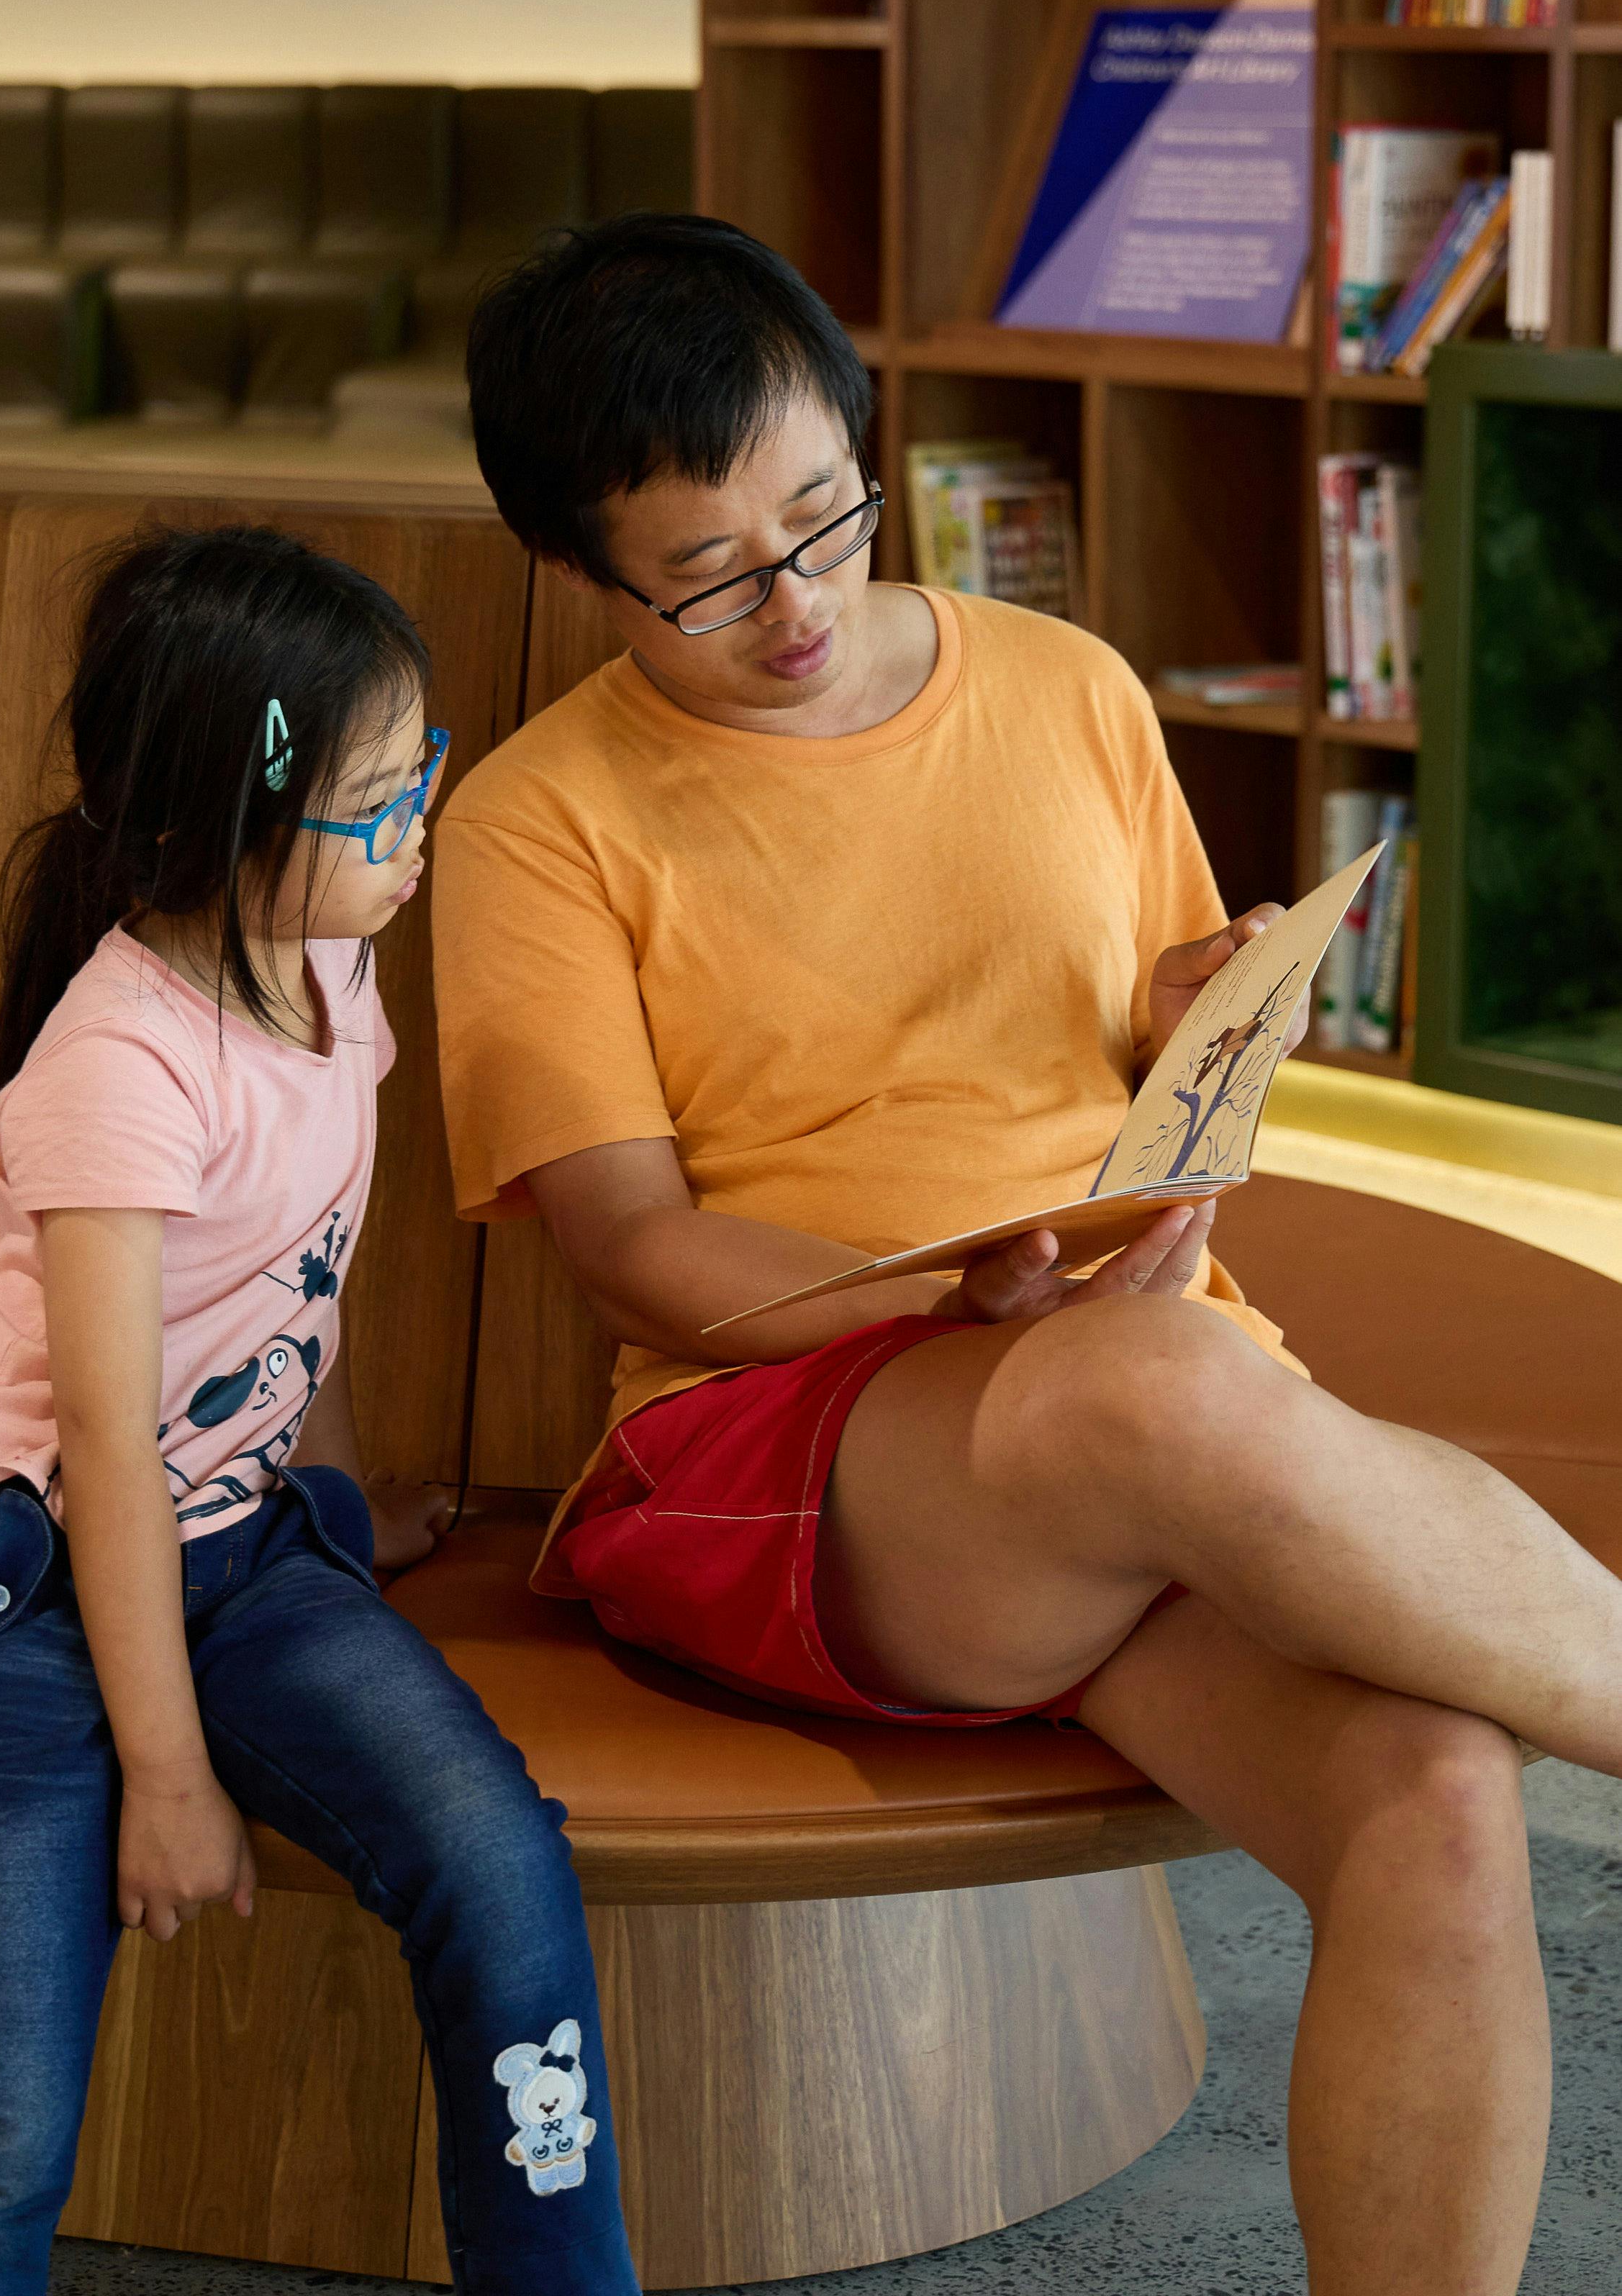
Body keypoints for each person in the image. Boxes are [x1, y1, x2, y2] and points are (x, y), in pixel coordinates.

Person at [432, 212, 1622, 2296]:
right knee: (1157, 1384)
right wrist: (941, 1299)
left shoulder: (1064, 684)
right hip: (786, 1438)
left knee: (1432, 1794)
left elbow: (1148, 1041)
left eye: (825, 518)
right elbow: (629, 1249)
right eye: (707, 574)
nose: (794, 603)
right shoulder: (539, 818)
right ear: (582, 574)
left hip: (1130, 1426)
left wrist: (1188, 1025)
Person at [0, 525, 639, 2296]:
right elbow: (109, 1453)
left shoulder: (326, 957)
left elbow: (292, 1278)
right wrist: (171, 1774)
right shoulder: (119, 1069)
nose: (419, 823)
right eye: (377, 801)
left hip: (225, 1541)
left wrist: (333, 1508)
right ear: (222, 824)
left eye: (420, 767)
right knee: (0, 2107)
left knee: (499, 1867)